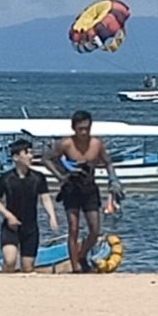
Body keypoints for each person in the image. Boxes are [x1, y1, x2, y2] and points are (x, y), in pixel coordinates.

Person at [49, 110, 117, 273]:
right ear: (74, 128)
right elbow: (47, 158)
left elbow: (107, 162)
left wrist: (113, 179)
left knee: (95, 230)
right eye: (81, 129)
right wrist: (61, 175)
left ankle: (81, 254)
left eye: (87, 128)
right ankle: (75, 267)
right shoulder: (66, 144)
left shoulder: (96, 144)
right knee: (73, 227)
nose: (84, 132)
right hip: (71, 188)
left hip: (89, 188)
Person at [0, 138, 58, 273]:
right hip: (11, 227)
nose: (30, 156)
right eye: (26, 153)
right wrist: (8, 215)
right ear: (16, 157)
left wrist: (52, 216)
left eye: (31, 153)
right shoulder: (6, 179)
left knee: (27, 267)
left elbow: (45, 198)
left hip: (30, 227)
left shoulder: (38, 178)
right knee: (10, 261)